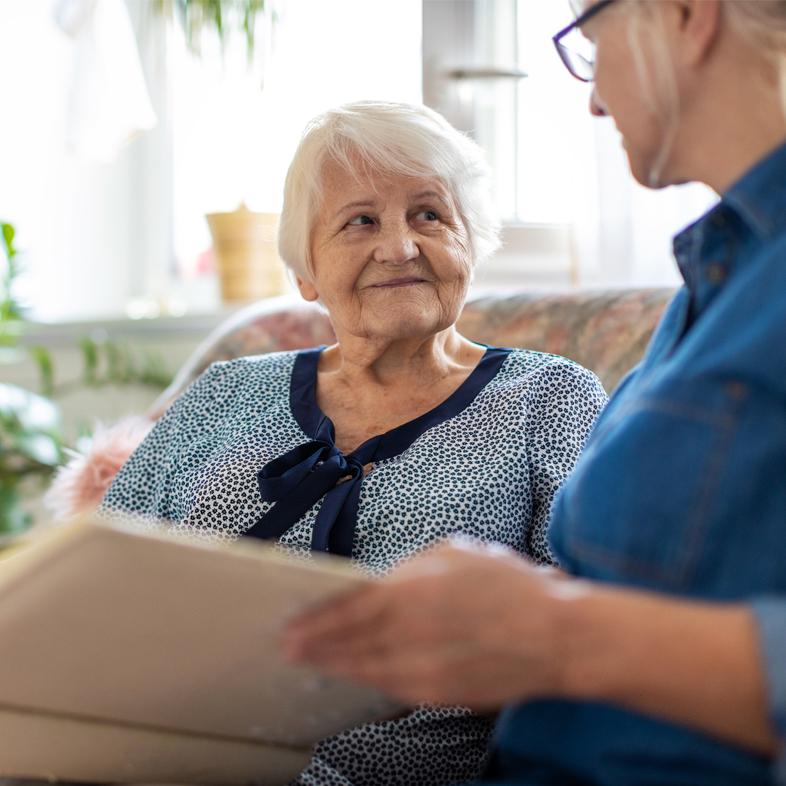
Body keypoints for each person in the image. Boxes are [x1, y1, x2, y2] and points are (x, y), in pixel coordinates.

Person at [282, 2, 786, 784]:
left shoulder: (548, 391)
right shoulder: (715, 280)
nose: (593, 96)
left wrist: (556, 633)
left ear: (686, 16)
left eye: (590, 46)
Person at [99, 101, 607, 786]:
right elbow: (102, 573)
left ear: (472, 245)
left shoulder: (549, 397)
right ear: (306, 273)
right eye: (360, 221)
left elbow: (590, 627)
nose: (399, 246)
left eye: (429, 214)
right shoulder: (225, 393)